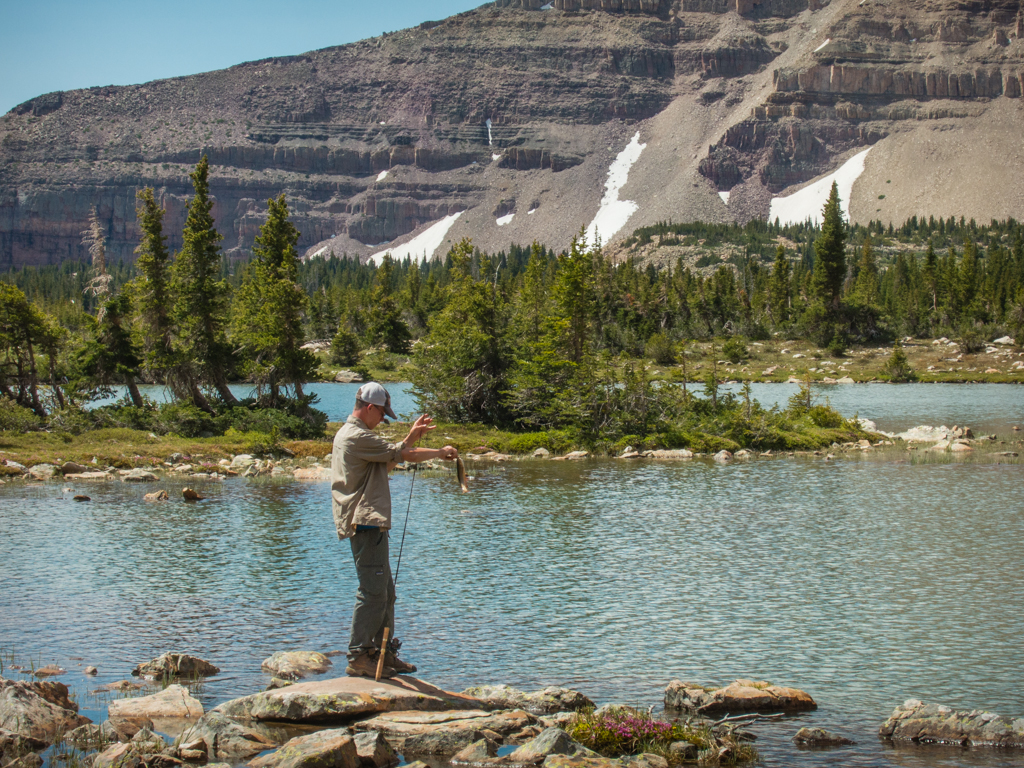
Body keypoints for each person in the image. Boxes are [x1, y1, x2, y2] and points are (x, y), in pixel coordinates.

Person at [331, 381, 458, 678]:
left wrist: (412, 438)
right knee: (372, 592)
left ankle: (383, 654)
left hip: (370, 522)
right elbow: (403, 454)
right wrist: (440, 452)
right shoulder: (355, 436)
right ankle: (359, 655)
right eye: (382, 413)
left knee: (386, 591)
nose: (383, 419)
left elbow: (392, 456)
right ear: (370, 408)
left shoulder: (359, 436)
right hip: (363, 522)